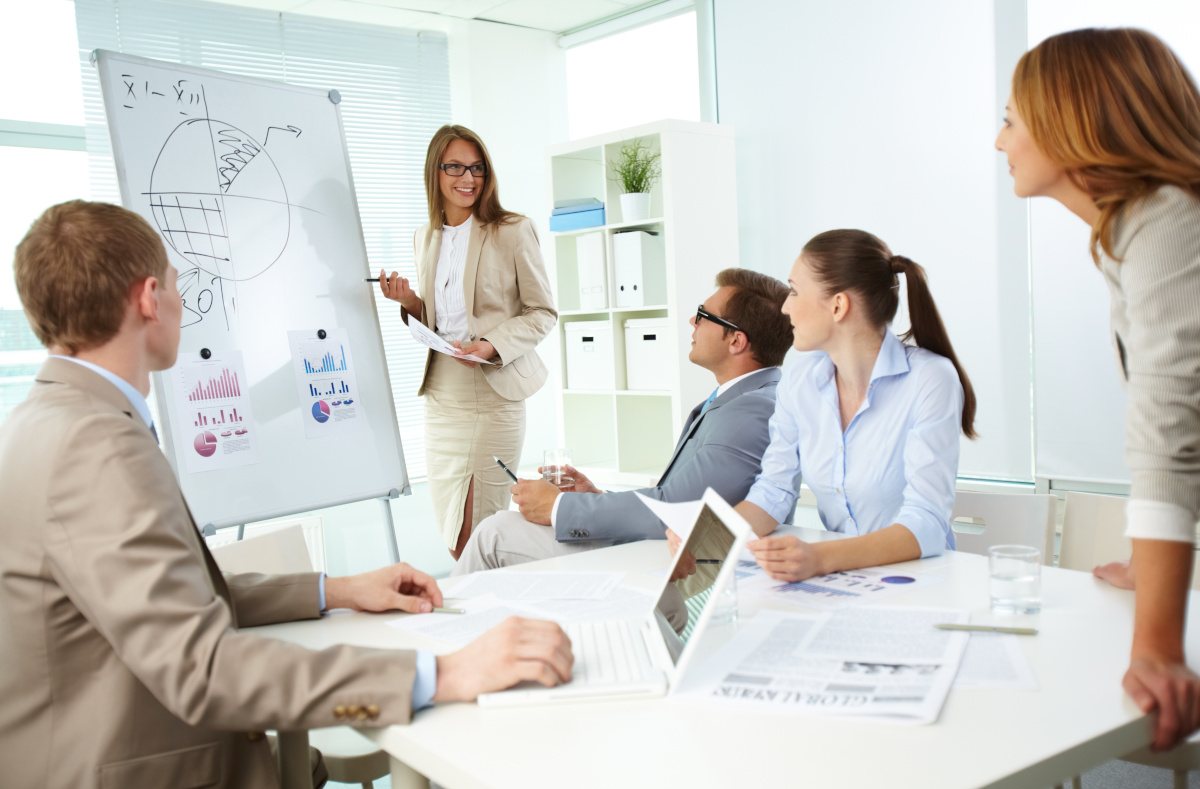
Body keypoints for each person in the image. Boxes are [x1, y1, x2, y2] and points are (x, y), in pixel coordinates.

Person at [0, 200, 572, 789]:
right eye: (174, 284)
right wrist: (443, 672)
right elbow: (203, 668)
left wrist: (338, 591)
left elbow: (175, 594)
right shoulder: (96, 447)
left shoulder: (52, 420)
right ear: (148, 299)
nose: (179, 301)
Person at [995, 27, 1200, 751]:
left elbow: (1169, 425)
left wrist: (1157, 649)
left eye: (1012, 119)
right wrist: (1147, 565)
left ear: (1073, 120)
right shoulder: (1129, 231)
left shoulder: (1168, 218)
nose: (1000, 141)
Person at [452, 268, 797, 575]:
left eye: (704, 315)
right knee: (499, 529)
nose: (692, 322)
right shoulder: (743, 398)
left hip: (680, 562)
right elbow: (674, 497)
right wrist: (596, 495)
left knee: (493, 534)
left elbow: (675, 511)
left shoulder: (751, 412)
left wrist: (558, 507)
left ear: (736, 341)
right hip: (664, 544)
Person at [701, 230, 975, 584]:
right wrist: (707, 538)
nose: (785, 307)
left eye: (795, 291)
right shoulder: (799, 380)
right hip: (841, 583)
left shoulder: (929, 378)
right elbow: (774, 490)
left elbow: (927, 523)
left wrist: (819, 557)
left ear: (838, 305)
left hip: (917, 582)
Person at [377, 124, 556, 560]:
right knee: (451, 528)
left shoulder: (512, 230)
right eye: (455, 166)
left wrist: (490, 345)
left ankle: (500, 619)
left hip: (492, 394)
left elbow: (542, 313)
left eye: (476, 168)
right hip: (443, 395)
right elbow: (439, 320)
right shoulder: (426, 236)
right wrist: (409, 303)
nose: (468, 178)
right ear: (435, 172)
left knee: (475, 534)